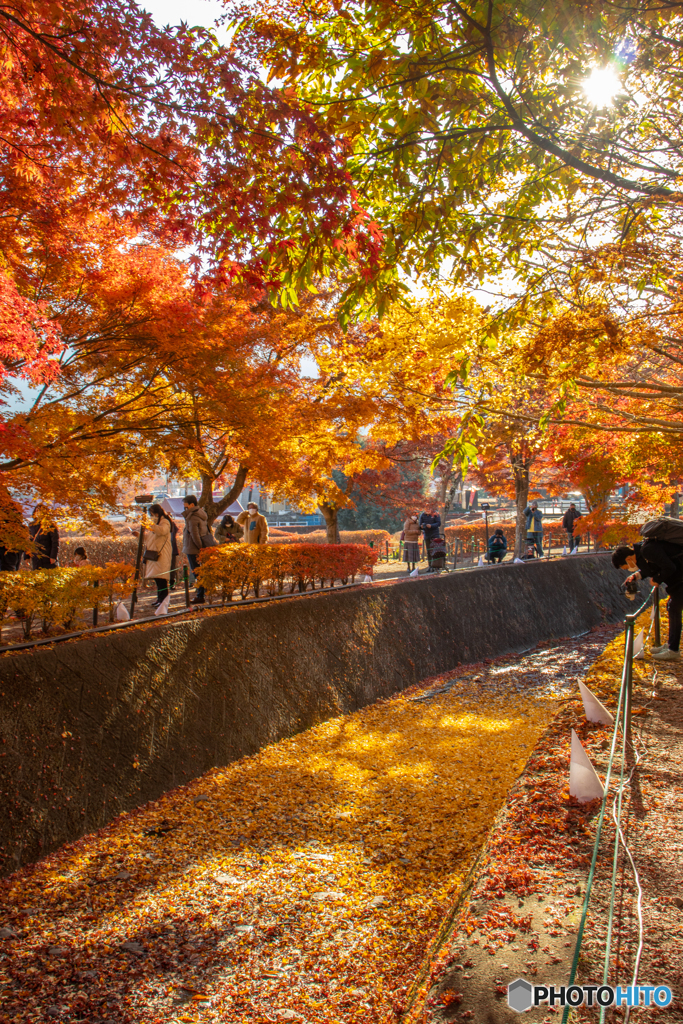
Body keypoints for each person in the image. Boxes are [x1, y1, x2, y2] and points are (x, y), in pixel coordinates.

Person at [613, 541, 683, 661]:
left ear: (629, 558)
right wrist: (636, 576)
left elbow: (669, 567)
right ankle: (672, 645)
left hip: (680, 581)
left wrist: (657, 579)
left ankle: (673, 650)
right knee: (672, 607)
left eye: (627, 566)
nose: (629, 568)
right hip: (678, 581)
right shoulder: (643, 553)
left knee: (674, 610)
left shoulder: (647, 550)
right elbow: (652, 567)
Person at [182, 495, 212, 605]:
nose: (184, 507)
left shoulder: (192, 517)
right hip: (199, 547)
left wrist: (199, 547)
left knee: (197, 572)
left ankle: (200, 594)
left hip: (193, 548)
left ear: (192, 504)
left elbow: (195, 535)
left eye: (186, 505)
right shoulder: (201, 514)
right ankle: (204, 591)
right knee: (201, 571)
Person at [144, 504, 174, 608]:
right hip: (155, 554)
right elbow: (149, 537)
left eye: (153, 514)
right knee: (158, 578)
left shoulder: (164, 522)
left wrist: (150, 525)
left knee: (161, 579)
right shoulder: (156, 523)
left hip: (161, 554)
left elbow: (162, 531)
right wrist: (139, 536)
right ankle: (160, 599)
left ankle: (163, 600)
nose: (152, 516)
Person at [27, 504, 59, 569]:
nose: (38, 512)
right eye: (37, 510)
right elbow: (29, 541)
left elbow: (55, 543)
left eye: (41, 511)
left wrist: (53, 556)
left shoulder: (50, 525)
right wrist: (27, 556)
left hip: (47, 557)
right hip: (36, 558)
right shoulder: (31, 525)